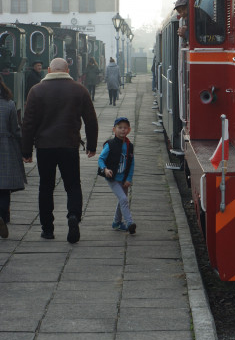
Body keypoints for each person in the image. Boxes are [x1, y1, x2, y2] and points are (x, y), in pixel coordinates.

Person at [21, 57, 98, 243]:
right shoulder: (79, 90)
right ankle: (73, 217)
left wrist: (26, 151)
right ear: (68, 70)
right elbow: (91, 120)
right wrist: (92, 146)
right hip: (69, 145)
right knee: (72, 185)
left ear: (49, 69)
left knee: (46, 187)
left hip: (45, 147)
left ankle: (47, 229)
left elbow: (28, 123)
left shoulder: (36, 91)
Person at [97, 116, 136, 234]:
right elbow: (101, 159)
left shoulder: (129, 146)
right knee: (124, 199)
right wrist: (105, 169)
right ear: (114, 130)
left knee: (122, 201)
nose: (122, 130)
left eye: (125, 128)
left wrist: (128, 179)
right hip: (112, 178)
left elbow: (132, 163)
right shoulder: (110, 144)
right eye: (120, 128)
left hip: (124, 179)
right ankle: (130, 223)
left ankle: (116, 223)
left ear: (129, 130)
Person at [0, 77, 27, 238]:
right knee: (3, 188)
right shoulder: (8, 104)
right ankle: (3, 217)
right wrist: (23, 146)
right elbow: (15, 129)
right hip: (5, 148)